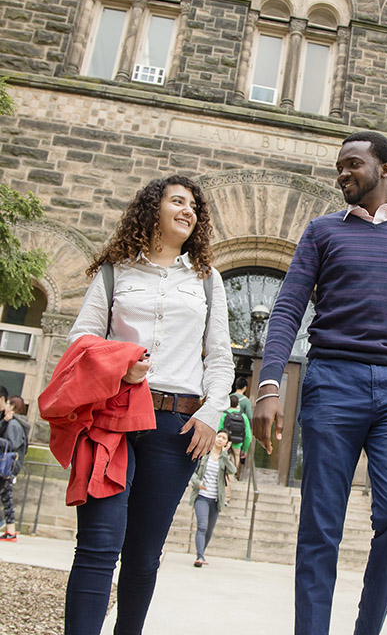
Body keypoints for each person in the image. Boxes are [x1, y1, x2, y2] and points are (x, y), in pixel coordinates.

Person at [252, 131, 387, 635]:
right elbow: (287, 309)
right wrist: (268, 385)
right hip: (332, 382)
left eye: (353, 165)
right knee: (320, 526)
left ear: (384, 168)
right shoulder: (322, 232)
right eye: (339, 167)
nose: (343, 173)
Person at [54, 175, 234, 635]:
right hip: (112, 418)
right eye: (178, 201)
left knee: (142, 554)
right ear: (152, 208)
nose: (188, 210)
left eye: (194, 206)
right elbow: (82, 340)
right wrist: (119, 366)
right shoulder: (116, 271)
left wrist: (212, 413)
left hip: (175, 426)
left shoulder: (206, 280)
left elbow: (219, 357)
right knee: (98, 542)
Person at [189, 428, 236, 567]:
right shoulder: (204, 454)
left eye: (224, 438)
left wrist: (225, 454)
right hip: (202, 496)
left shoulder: (224, 458)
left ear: (227, 442)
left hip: (216, 500)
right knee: (202, 526)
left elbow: (232, 470)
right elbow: (193, 472)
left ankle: (201, 553)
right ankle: (199, 556)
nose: (220, 439)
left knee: (209, 530)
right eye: (219, 436)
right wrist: (198, 483)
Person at [0, 388, 30, 542]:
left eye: (7, 404)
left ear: (12, 406)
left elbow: (12, 445)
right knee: (6, 496)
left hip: (7, 465)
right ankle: (10, 530)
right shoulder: (12, 422)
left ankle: (9, 529)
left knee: (7, 497)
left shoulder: (14, 424)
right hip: (9, 465)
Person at [219, 391, 252, 485]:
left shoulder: (223, 414)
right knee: (231, 471)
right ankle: (228, 494)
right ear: (238, 404)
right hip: (237, 446)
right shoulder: (244, 416)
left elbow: (218, 429)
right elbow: (248, 436)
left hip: (223, 445)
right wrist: (244, 450)